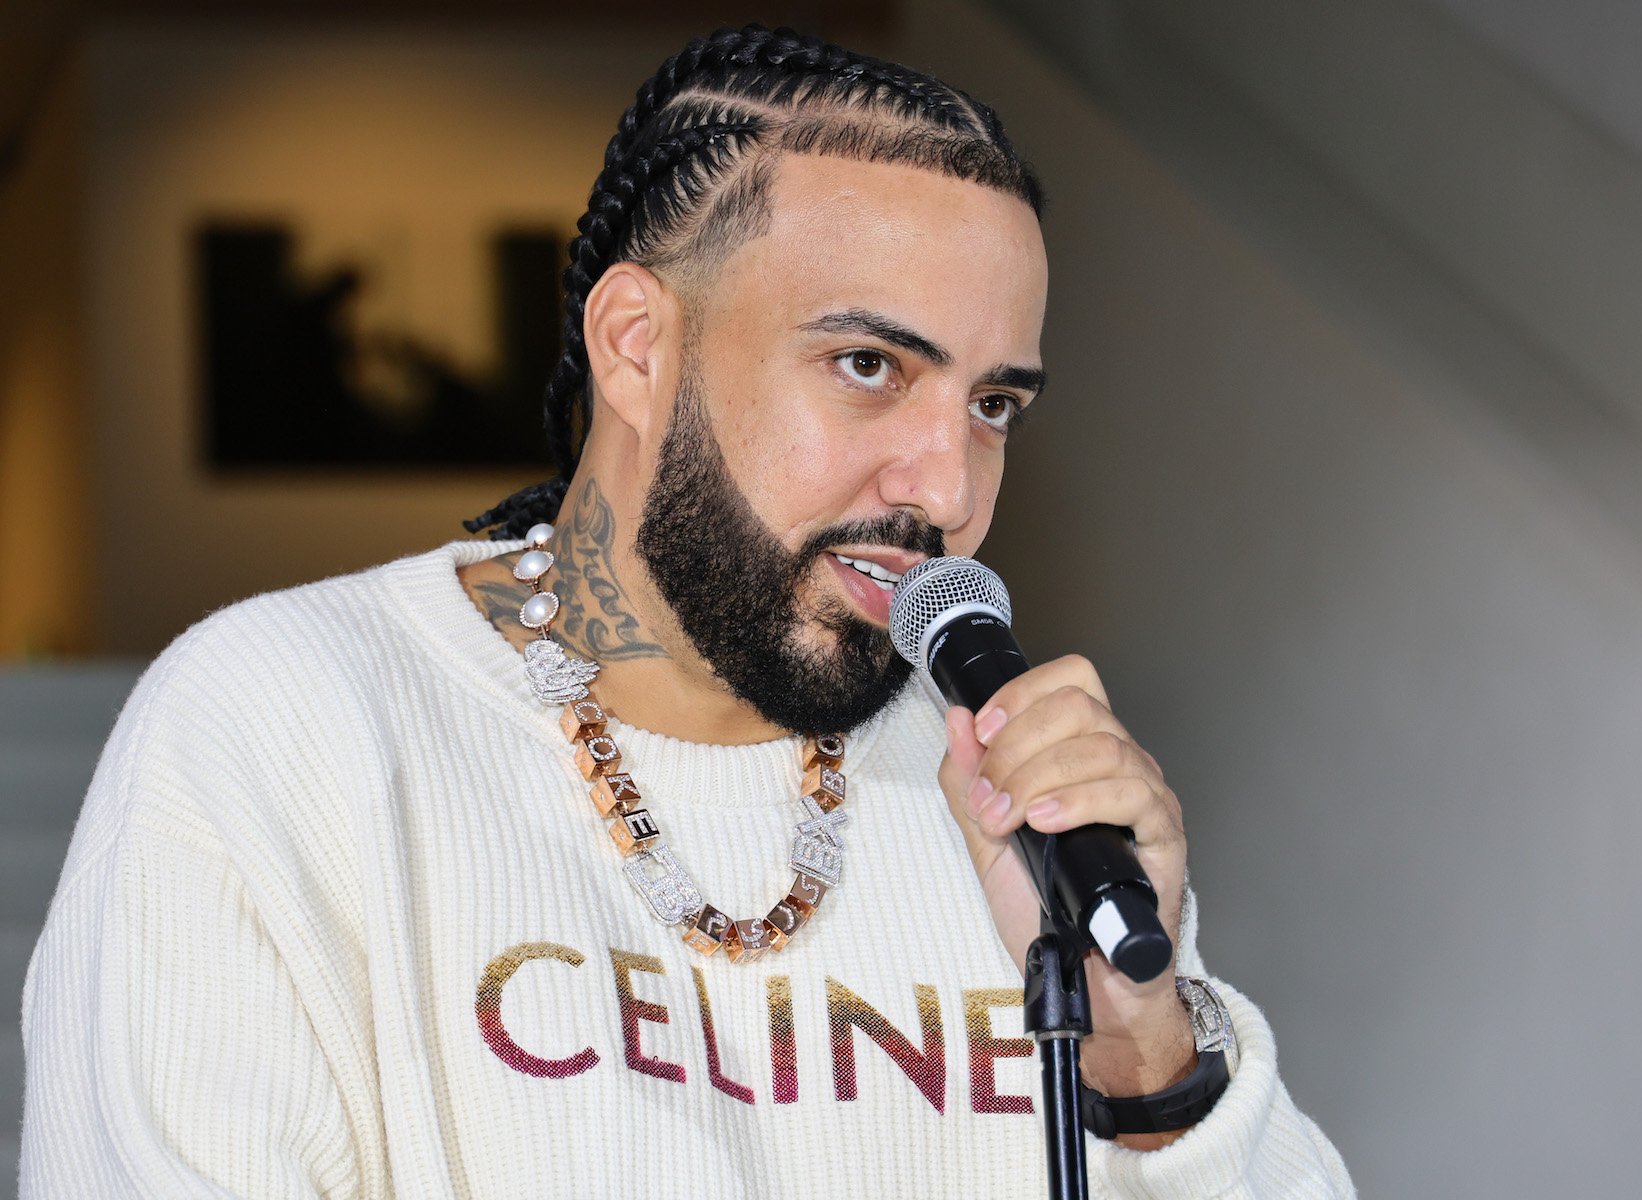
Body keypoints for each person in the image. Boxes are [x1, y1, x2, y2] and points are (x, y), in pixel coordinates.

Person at [21, 25, 1352, 1199]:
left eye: (994, 404)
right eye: (869, 365)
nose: (948, 486)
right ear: (636, 346)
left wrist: (1144, 1060)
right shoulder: (286, 723)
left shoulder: (1020, 804)